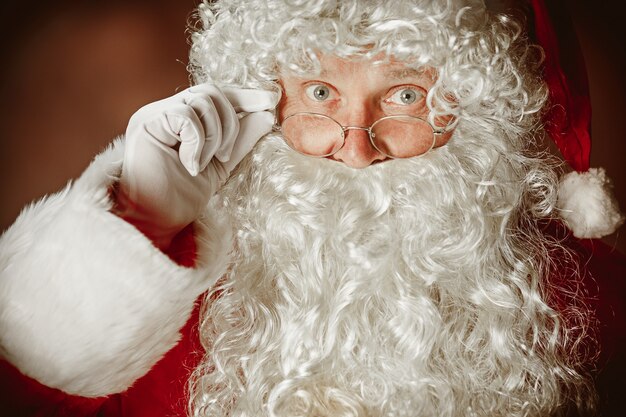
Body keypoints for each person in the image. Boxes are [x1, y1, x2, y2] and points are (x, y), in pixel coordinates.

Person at [0, 0, 624, 416]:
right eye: (321, 92)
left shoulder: (588, 306)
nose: (354, 147)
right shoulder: (199, 296)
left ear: (479, 108)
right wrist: (143, 221)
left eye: (406, 96)